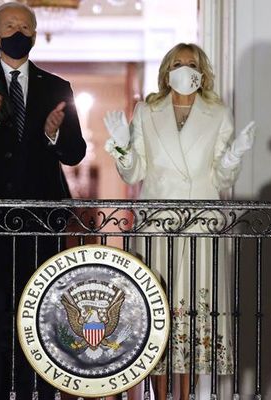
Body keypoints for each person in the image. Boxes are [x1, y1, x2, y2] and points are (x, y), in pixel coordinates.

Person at [0, 3, 86, 400]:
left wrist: (54, 134)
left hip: (40, 223)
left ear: (35, 35)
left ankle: (36, 392)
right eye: (10, 26)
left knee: (38, 311)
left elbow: (74, 153)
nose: (18, 31)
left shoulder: (57, 88)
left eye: (25, 26)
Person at [104, 42, 255, 399]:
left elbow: (221, 178)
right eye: (177, 63)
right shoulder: (146, 110)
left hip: (201, 225)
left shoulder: (217, 113)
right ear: (166, 71)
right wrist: (123, 147)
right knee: (158, 310)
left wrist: (235, 154)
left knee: (194, 314)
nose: (183, 69)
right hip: (157, 224)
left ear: (201, 71)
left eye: (190, 63)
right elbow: (134, 173)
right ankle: (158, 396)